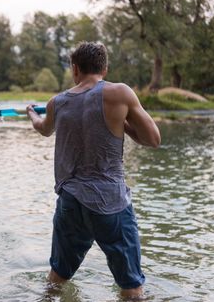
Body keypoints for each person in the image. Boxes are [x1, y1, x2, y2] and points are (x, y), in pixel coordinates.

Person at [27, 42, 160, 300]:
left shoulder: (58, 102)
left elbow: (43, 128)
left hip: (70, 202)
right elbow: (153, 139)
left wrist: (31, 113)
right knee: (132, 288)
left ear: (74, 69)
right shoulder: (120, 93)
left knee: (57, 278)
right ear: (105, 69)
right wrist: (122, 122)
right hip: (110, 203)